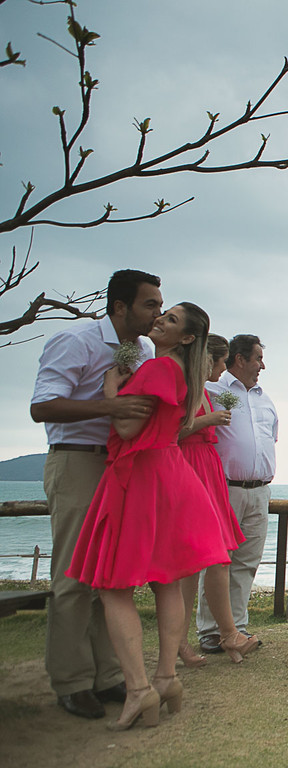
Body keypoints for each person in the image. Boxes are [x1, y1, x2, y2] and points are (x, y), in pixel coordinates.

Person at [66, 302, 232, 730]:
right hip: (171, 471)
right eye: (163, 314)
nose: (160, 320)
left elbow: (125, 430)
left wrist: (109, 388)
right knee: (166, 580)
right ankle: (166, 677)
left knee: (111, 584)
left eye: (171, 319)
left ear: (187, 338)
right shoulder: (184, 373)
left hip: (142, 475)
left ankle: (140, 689)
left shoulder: (158, 370)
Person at [29, 269, 162, 720]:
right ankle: (70, 681)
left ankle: (109, 675)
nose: (157, 313)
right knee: (72, 577)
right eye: (150, 305)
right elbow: (41, 406)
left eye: (161, 306)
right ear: (120, 307)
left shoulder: (142, 350)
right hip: (76, 461)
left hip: (119, 465)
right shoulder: (76, 341)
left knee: (112, 575)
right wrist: (109, 406)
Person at [177, 333, 260, 665]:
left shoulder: (206, 389)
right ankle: (221, 634)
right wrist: (209, 419)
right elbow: (172, 428)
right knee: (205, 560)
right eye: (222, 361)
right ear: (208, 360)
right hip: (193, 470)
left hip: (208, 472)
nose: (224, 368)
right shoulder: (196, 389)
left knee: (219, 558)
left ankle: (226, 632)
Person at [195, 334, 278, 654]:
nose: (262, 365)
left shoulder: (264, 399)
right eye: (258, 358)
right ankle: (210, 630)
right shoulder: (213, 390)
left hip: (259, 490)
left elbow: (271, 437)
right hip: (224, 488)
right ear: (239, 359)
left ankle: (237, 627)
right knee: (217, 560)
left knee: (246, 562)